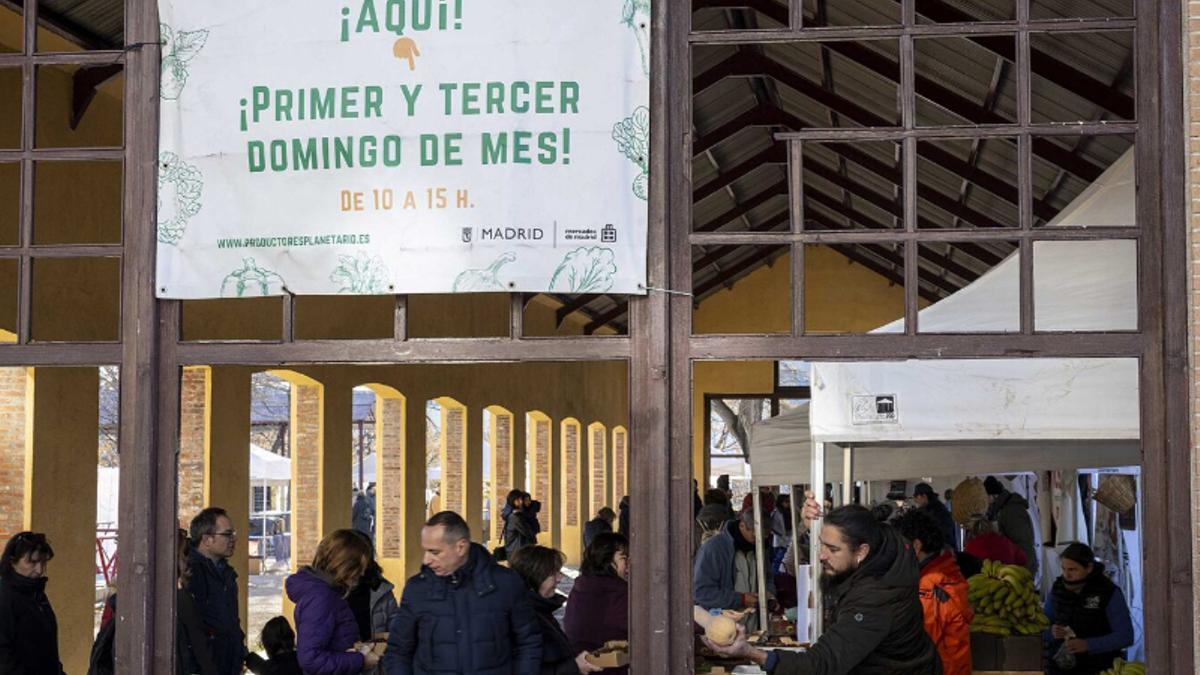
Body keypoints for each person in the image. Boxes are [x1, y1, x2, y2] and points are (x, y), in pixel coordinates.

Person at [704, 494, 942, 674]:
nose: (821, 555)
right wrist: (813, 524)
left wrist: (752, 653)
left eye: (832, 549)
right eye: (821, 544)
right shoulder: (880, 551)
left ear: (862, 551)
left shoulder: (876, 598)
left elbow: (823, 663)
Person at [384, 511, 541, 673]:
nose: (426, 560)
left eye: (435, 552)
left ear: (461, 547)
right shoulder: (417, 589)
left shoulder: (506, 583)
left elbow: (528, 642)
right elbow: (397, 651)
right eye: (426, 551)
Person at [287, 528, 380, 674]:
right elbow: (311, 659)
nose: (362, 573)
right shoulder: (322, 598)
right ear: (343, 565)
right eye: (359, 567)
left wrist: (357, 651)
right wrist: (360, 660)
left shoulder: (328, 594)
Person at [893, 509, 972, 675]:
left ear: (916, 546)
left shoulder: (930, 586)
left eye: (901, 546)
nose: (898, 554)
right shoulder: (947, 570)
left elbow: (919, 643)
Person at [509, 545, 602, 675]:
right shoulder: (522, 618)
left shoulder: (541, 609)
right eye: (553, 573)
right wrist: (574, 668)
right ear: (535, 576)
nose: (560, 578)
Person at [1045, 543, 1133, 675]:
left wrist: (1088, 645)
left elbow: (1125, 637)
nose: (1066, 575)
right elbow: (1042, 625)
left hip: (1099, 668)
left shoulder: (1108, 592)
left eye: (1073, 570)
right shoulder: (1057, 590)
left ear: (1089, 568)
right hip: (1058, 668)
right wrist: (1052, 632)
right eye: (1063, 569)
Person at [188, 507, 247, 675]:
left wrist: (239, 653)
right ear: (207, 539)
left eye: (233, 535)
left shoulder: (227, 574)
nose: (233, 540)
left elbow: (232, 622)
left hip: (229, 665)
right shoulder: (191, 574)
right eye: (227, 534)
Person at [693, 508, 773, 632]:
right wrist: (740, 599)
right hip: (721, 629)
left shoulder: (761, 547)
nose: (760, 540)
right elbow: (701, 592)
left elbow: (768, 577)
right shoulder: (713, 549)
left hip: (754, 628)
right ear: (742, 525)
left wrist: (769, 593)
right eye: (755, 535)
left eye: (764, 536)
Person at [563, 533, 629, 674]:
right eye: (624, 559)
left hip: (581, 664)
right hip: (609, 667)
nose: (629, 565)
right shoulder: (618, 592)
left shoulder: (582, 585)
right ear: (607, 560)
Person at [0, 531, 64, 674]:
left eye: (43, 562)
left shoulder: (37, 595)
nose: (39, 570)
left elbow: (46, 646)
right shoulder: (5, 598)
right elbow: (3, 656)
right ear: (12, 561)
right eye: (32, 562)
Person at [345, 530, 398, 675]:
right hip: (345, 665)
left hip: (376, 667)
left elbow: (396, 631)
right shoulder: (332, 593)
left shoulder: (382, 591)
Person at [983, 476, 1038, 575]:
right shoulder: (1003, 509)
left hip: (1022, 566)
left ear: (993, 495)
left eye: (985, 497)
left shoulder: (1012, 510)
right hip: (1017, 564)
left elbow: (1022, 542)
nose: (985, 501)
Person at [962, 514, 1027, 568]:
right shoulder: (1003, 541)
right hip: (1009, 579)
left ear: (969, 531)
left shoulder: (970, 549)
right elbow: (1022, 559)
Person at [913, 483, 958, 551]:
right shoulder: (940, 507)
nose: (916, 501)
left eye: (917, 497)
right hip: (949, 549)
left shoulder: (928, 511)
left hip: (939, 551)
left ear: (924, 496)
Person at [503, 489, 539, 557]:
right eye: (517, 500)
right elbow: (529, 532)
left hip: (518, 550)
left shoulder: (519, 515)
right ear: (512, 501)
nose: (521, 502)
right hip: (517, 552)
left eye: (521, 500)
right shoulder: (515, 517)